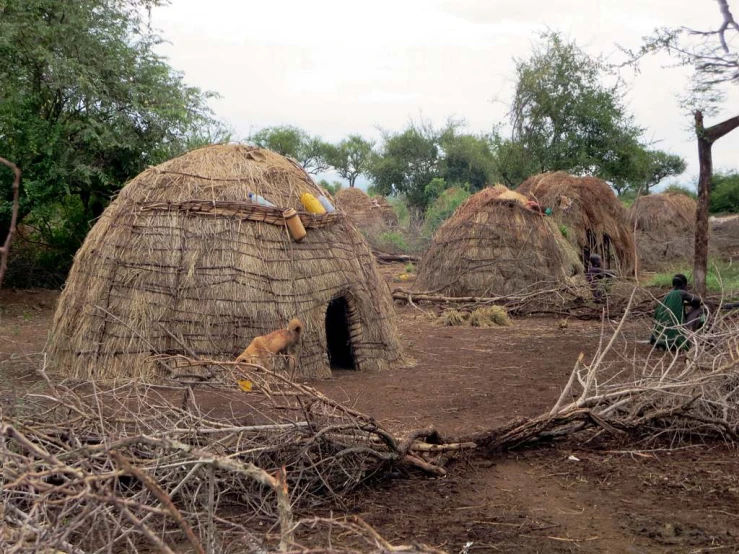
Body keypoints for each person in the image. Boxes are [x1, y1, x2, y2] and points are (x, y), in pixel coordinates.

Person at [650, 274, 703, 350]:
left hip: (659, 339)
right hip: (675, 341)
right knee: (699, 308)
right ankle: (690, 339)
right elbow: (700, 301)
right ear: (684, 285)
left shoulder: (666, 297)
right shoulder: (681, 293)